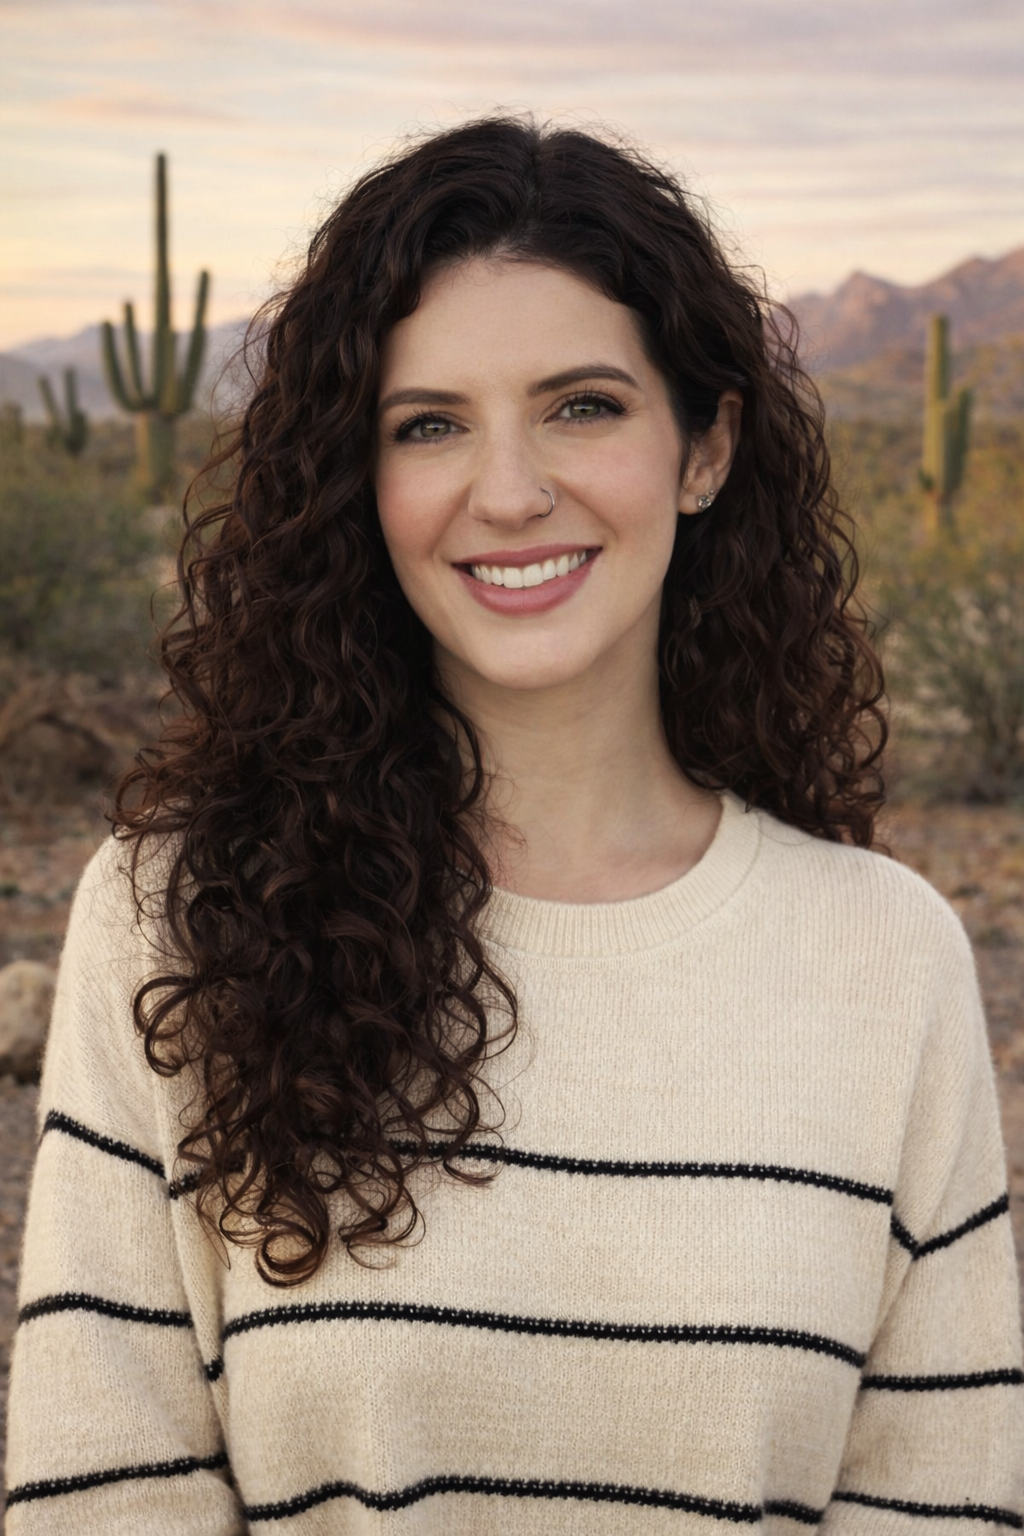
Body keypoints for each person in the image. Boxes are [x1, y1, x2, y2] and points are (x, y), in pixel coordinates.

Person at [5, 115, 1023, 1534]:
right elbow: (101, 1493)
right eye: (429, 425)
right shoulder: (175, 916)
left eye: (583, 405)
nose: (507, 490)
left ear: (706, 447)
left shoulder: (886, 955)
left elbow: (948, 1502)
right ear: (362, 484)